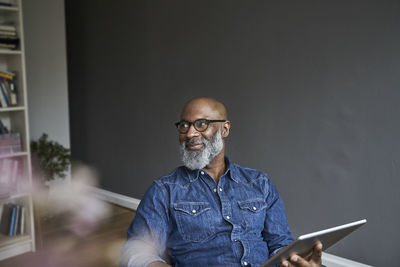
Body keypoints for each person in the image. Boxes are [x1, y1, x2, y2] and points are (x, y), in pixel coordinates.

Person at [120, 97, 322, 267]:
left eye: (201, 124)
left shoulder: (260, 183)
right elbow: (136, 251)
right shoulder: (164, 191)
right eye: (184, 125)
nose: (190, 133)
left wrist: (298, 260)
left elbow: (280, 242)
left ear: (224, 129)